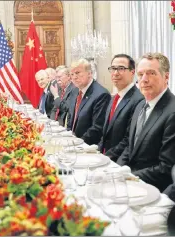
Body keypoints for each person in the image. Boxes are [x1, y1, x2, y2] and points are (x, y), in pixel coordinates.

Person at [117, 53, 175, 192]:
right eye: (140, 74)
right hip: (129, 183)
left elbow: (165, 168)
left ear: (166, 77)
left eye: (151, 73)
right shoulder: (140, 105)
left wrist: (128, 176)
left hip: (153, 191)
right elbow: (129, 146)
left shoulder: (172, 111)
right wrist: (116, 170)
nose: (144, 79)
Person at [99, 54, 144, 161]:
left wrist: (106, 157)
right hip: (105, 158)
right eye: (113, 68)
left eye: (121, 69)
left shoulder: (139, 100)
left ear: (132, 72)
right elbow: (106, 133)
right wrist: (97, 151)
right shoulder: (114, 98)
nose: (115, 73)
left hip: (119, 162)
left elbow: (129, 139)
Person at [67, 58, 111, 145]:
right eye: (72, 74)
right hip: (73, 143)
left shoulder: (101, 94)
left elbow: (97, 128)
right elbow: (70, 118)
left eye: (77, 73)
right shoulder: (74, 91)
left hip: (88, 147)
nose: (74, 77)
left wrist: (78, 144)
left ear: (90, 73)